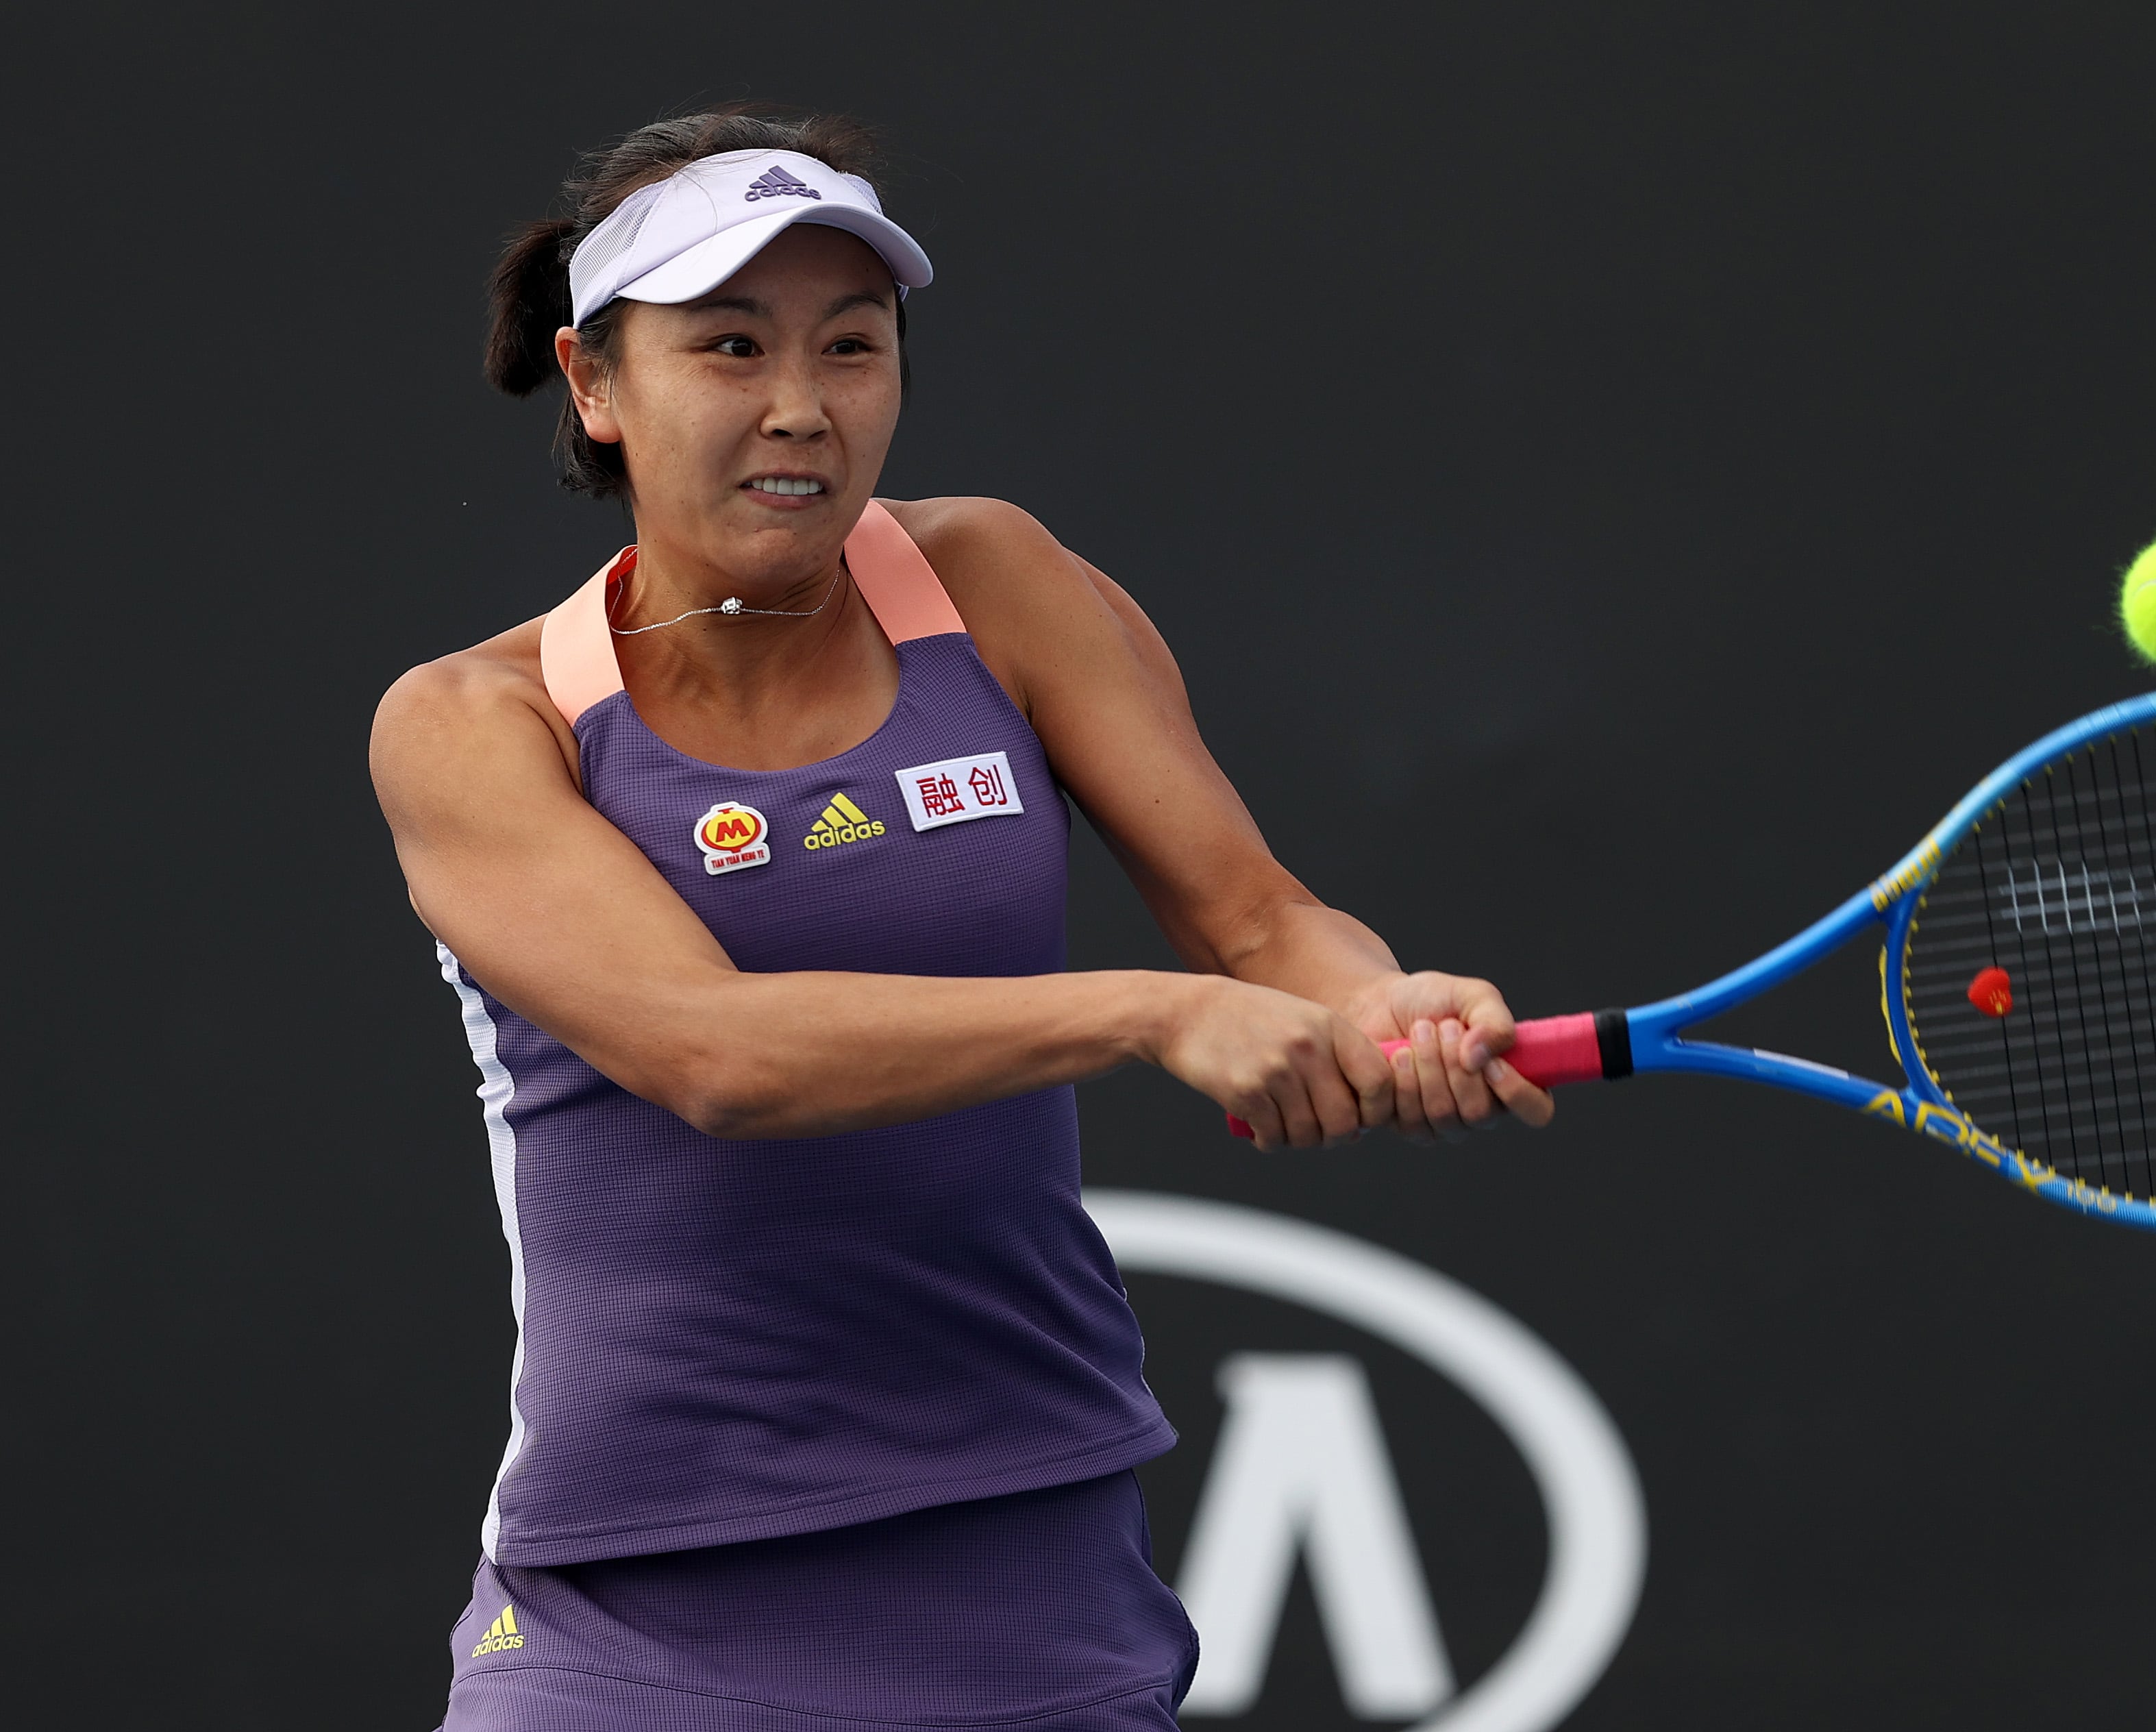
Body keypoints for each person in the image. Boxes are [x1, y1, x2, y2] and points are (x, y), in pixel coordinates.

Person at [369, 108, 1551, 1732]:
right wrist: (1146, 1015)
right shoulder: (471, 725)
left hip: (1025, 1583)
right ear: (593, 384)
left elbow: (1261, 917)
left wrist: (1383, 1001)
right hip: (628, 1608)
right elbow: (716, 1054)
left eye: (851, 347)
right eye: (729, 347)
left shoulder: (993, 584)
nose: (800, 406)